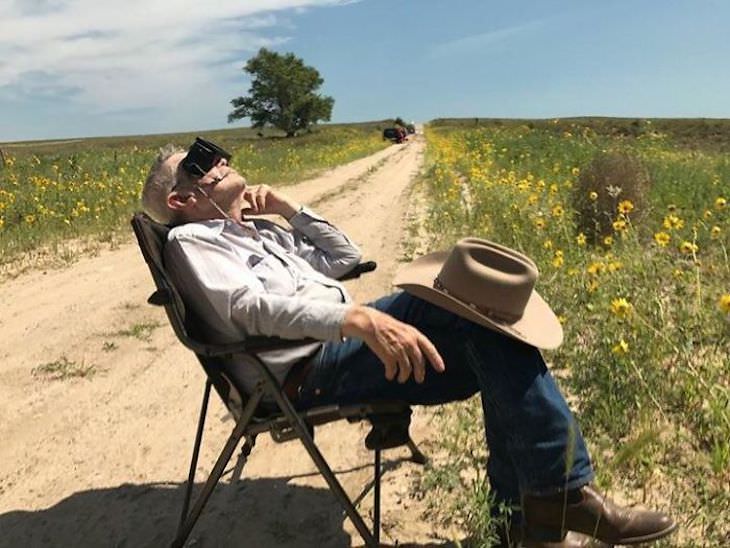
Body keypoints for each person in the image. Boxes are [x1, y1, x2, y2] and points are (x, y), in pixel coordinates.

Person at [141, 138, 677, 548]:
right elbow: (248, 309)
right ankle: (552, 501)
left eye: (214, 153)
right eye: (200, 163)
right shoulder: (195, 240)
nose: (219, 160)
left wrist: (287, 209)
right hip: (307, 370)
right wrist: (357, 321)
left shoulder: (258, 229)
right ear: (181, 198)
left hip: (333, 342)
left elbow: (346, 257)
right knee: (477, 322)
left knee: (482, 314)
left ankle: (533, 509)